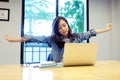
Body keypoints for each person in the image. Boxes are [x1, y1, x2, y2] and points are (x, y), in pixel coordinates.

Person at [4, 16, 112, 62]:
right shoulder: (52, 39)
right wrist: (12, 40)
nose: (63, 29)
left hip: (74, 68)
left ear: (68, 25)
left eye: (64, 25)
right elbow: (32, 38)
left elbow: (91, 33)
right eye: (59, 28)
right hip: (57, 69)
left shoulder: (77, 36)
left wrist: (107, 30)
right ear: (57, 30)